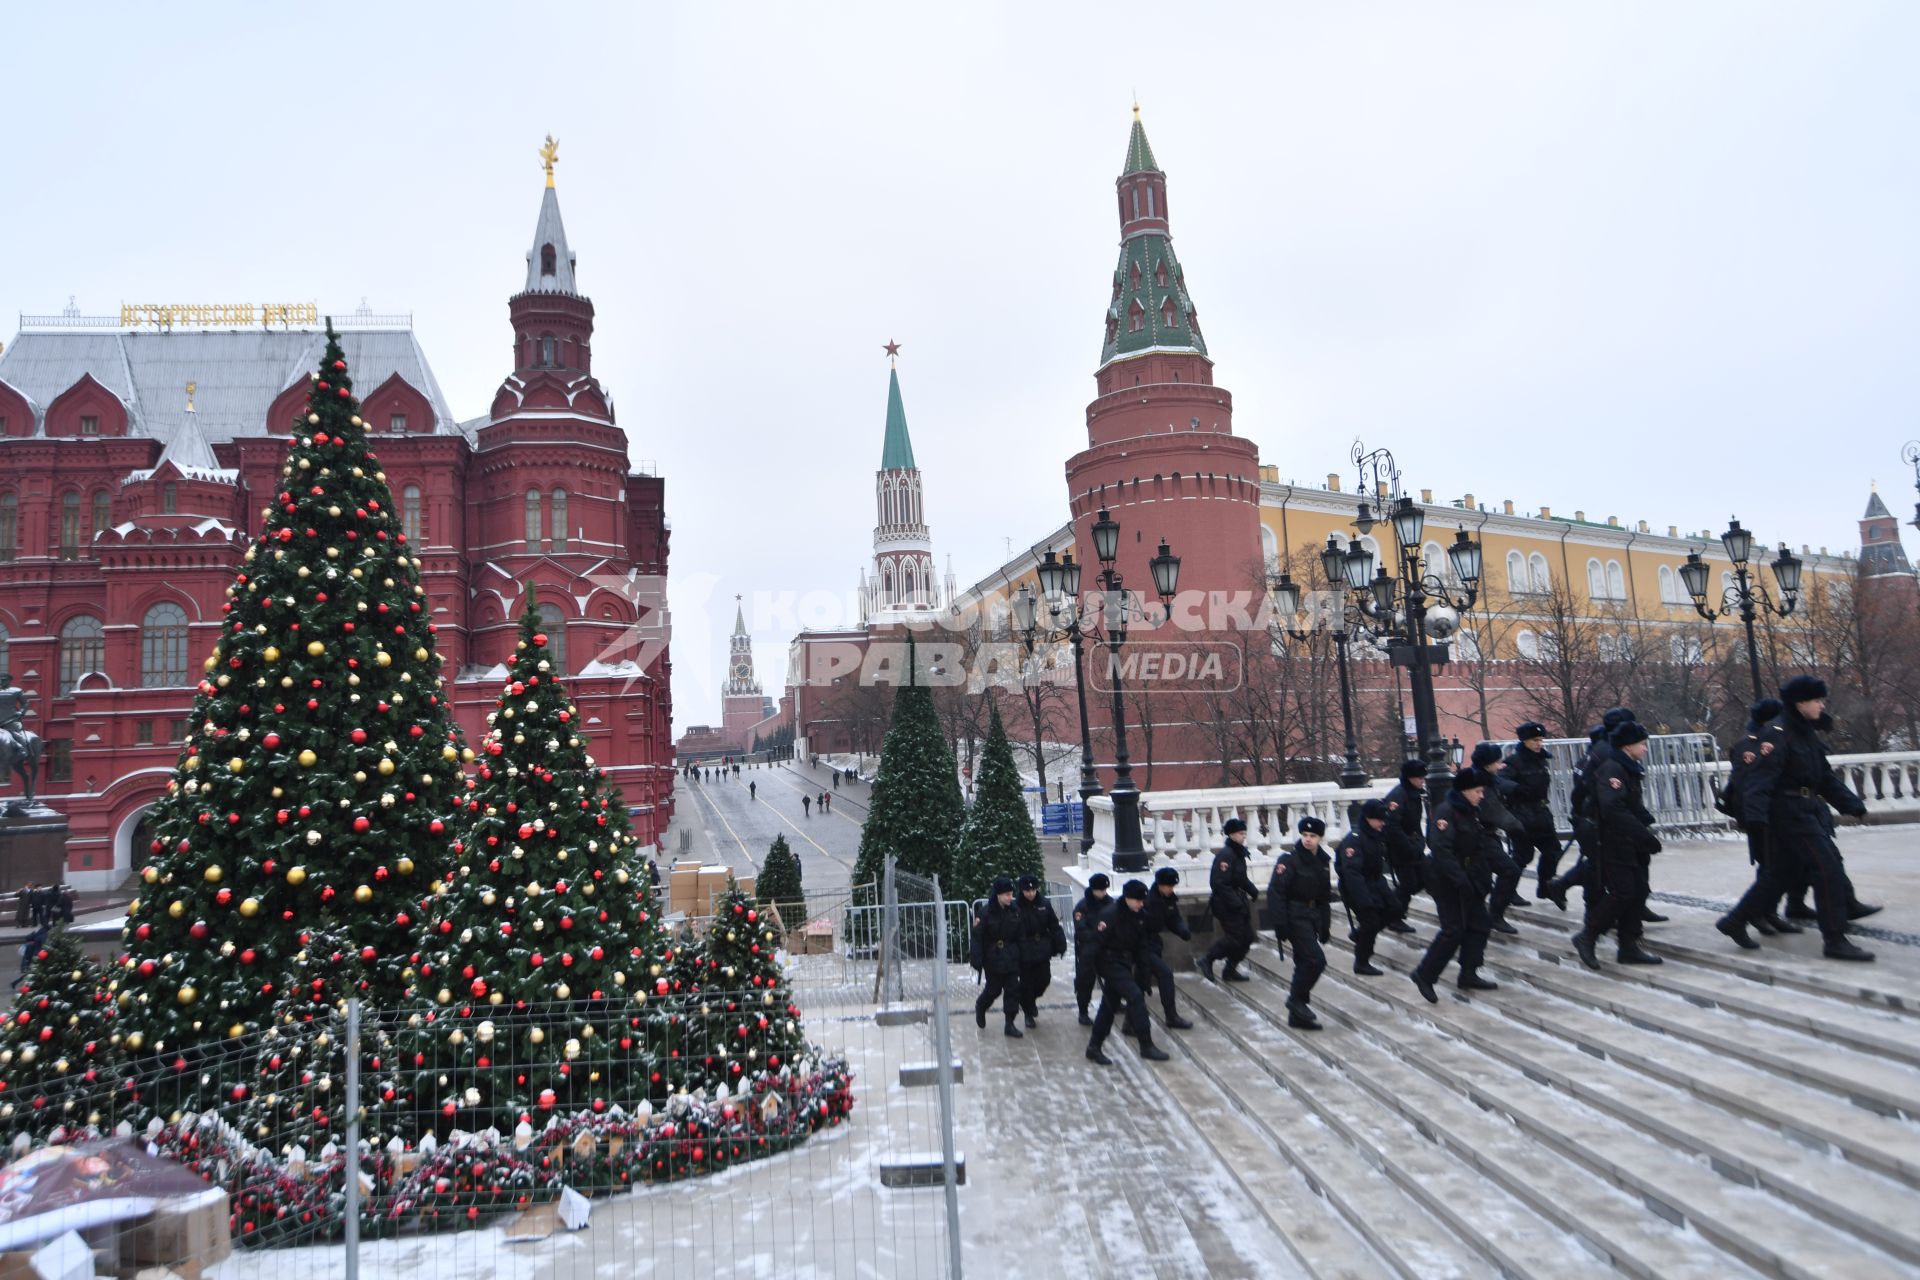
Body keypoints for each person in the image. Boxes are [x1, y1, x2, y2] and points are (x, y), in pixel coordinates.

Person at [1725, 677, 1874, 962]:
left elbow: (1825, 777)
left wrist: (1851, 804)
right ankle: (1835, 939)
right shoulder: (1777, 734)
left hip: (1803, 809)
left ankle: (1735, 920)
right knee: (1827, 869)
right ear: (1800, 702)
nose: (1822, 705)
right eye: (1817, 700)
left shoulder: (1805, 733)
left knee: (1781, 875)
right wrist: (1755, 818)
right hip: (1787, 813)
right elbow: (1759, 780)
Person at [1571, 721, 1664, 970]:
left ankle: (1629, 945)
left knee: (1636, 892)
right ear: (1627, 746)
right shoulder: (1613, 769)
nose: (1645, 749)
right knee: (1623, 892)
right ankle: (1587, 936)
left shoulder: (1627, 767)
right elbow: (1613, 808)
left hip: (1628, 841)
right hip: (1613, 841)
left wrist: (1645, 822)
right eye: (1642, 744)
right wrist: (1643, 835)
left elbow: (1630, 804)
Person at [1409, 767, 1500, 1003]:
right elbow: (1442, 850)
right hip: (1447, 881)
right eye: (1478, 791)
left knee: (1480, 924)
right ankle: (1425, 974)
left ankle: (1468, 973)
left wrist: (1482, 877)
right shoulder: (1446, 813)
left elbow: (1476, 847)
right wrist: (1460, 880)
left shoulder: (1470, 811)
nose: (1481, 795)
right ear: (1464, 791)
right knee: (1453, 930)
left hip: (1469, 878)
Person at [1085, 880, 1170, 1065]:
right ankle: (1146, 1045)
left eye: (1142, 901)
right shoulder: (1110, 915)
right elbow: (1094, 944)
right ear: (1127, 898)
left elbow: (1141, 947)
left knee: (1109, 1006)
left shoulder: (1139, 915)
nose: (1141, 904)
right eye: (1138, 901)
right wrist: (1089, 969)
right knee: (1135, 996)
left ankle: (1094, 1046)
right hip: (1109, 963)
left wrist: (1145, 974)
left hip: (1124, 962)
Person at [1267, 816, 1334, 1029]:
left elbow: (1324, 896)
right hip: (1294, 916)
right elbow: (1276, 893)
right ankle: (1295, 1001)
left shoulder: (1323, 862)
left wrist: (1325, 924)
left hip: (1312, 917)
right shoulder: (1289, 860)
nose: (1308, 839)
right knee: (1316, 961)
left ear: (1320, 838)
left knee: (1304, 963)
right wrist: (1280, 923)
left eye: (1312, 836)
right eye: (1305, 835)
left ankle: (1298, 1016)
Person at [1470, 741, 1528, 936]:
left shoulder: (1485, 778)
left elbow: (1502, 788)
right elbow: (1493, 810)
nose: (1501, 765)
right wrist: (1518, 827)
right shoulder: (1479, 783)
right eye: (1497, 762)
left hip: (1485, 835)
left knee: (1484, 880)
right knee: (1508, 871)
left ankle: (1485, 916)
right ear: (1487, 764)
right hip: (1479, 837)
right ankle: (1493, 916)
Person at [1504, 724, 1566, 904]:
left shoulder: (1541, 760)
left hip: (1541, 813)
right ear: (1524, 741)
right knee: (1523, 855)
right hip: (1522, 814)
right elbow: (1500, 781)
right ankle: (1508, 891)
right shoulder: (1514, 762)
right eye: (1535, 740)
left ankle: (1545, 887)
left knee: (1553, 850)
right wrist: (1517, 789)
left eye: (1540, 740)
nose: (1539, 744)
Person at [1336, 799, 1395, 976]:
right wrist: (1364, 900)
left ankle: (1359, 934)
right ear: (1369, 818)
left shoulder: (1375, 834)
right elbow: (1352, 873)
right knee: (1371, 921)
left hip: (1375, 881)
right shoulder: (1355, 839)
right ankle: (1362, 961)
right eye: (1379, 820)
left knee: (1395, 908)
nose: (1383, 823)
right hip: (1357, 886)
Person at [1199, 817, 1258, 982]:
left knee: (1246, 938)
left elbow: (1241, 878)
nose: (1244, 836)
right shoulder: (1226, 855)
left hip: (1237, 903)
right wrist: (1236, 902)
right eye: (1241, 833)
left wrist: (1252, 890)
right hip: (1226, 905)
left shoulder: (1238, 853)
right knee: (1235, 937)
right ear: (1231, 834)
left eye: (1244, 833)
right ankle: (1207, 959)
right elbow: (1219, 883)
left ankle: (1230, 969)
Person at [1137, 867, 1195, 1030]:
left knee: (1140, 983)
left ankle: (1130, 1022)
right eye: (1168, 886)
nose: (1171, 889)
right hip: (1142, 946)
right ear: (1160, 884)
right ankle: (1171, 1016)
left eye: (1172, 886)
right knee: (1165, 975)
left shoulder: (1168, 899)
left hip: (1153, 945)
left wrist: (1182, 930)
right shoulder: (1147, 901)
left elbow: (1173, 918)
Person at [969, 878, 1026, 1036]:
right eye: (1007, 894)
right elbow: (977, 937)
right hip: (993, 957)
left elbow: (1021, 935)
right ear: (998, 895)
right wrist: (977, 959)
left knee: (1012, 990)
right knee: (993, 990)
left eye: (1011, 894)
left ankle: (1010, 1023)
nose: (1010, 898)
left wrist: (1023, 955)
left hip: (1011, 956)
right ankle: (981, 1005)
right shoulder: (985, 912)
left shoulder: (1015, 910)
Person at [1381, 760, 1427, 933]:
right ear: (1410, 778)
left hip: (1413, 846)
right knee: (1408, 884)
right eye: (1419, 777)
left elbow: (1414, 823)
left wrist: (1420, 842)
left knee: (1421, 879)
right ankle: (1394, 915)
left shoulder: (1413, 794)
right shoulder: (1399, 796)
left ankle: (1394, 908)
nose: (1423, 780)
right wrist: (1409, 845)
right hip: (1400, 849)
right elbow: (1392, 826)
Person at [1015, 874, 1067, 1027]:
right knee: (1026, 983)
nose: (1030, 893)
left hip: (1042, 948)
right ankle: (1028, 1012)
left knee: (1044, 979)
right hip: (1024, 950)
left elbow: (1054, 925)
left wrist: (1060, 944)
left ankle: (1028, 1000)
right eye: (1027, 891)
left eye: (1033, 890)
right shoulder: (1016, 907)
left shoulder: (1044, 903)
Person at [1071, 873, 1112, 1025]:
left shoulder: (1109, 903)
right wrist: (1098, 935)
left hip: (1105, 948)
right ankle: (1083, 1011)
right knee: (1085, 982)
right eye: (1100, 890)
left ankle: (1112, 1000)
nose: (1103, 893)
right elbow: (1081, 931)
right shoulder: (1082, 907)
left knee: (1113, 975)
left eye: (1105, 890)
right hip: (1087, 949)